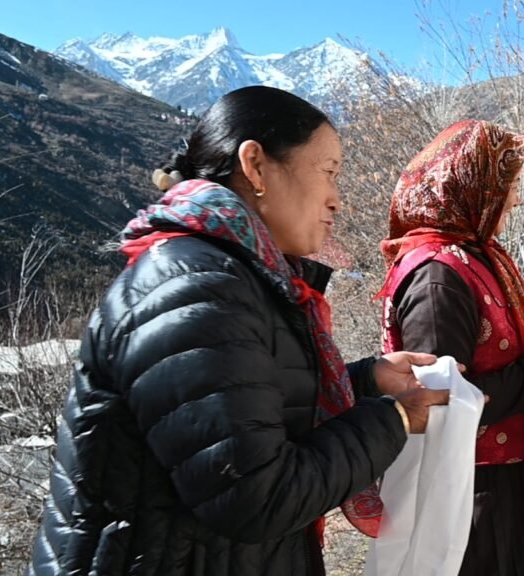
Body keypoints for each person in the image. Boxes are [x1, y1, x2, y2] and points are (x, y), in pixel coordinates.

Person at [27, 86, 449, 576]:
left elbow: (247, 411)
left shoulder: (237, 275)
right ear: (255, 166)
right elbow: (255, 495)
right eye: (329, 172)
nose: (336, 199)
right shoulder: (194, 288)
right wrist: (392, 419)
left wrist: (365, 380)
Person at [377, 119, 524, 576]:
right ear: (471, 188)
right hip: (471, 495)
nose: (516, 198)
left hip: (499, 480)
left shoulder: (475, 254)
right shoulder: (437, 277)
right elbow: (441, 402)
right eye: (508, 185)